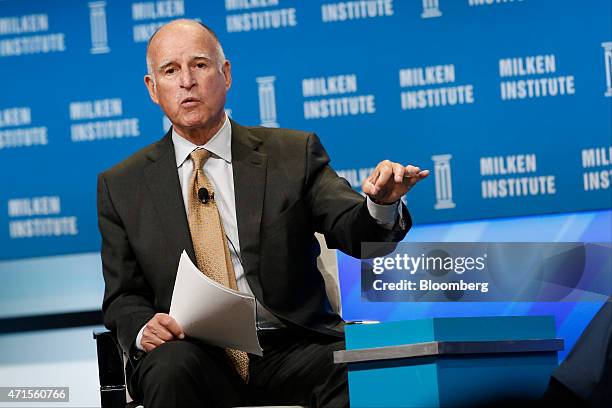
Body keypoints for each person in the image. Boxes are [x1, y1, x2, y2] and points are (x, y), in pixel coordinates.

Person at [97, 18, 429, 408]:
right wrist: (142, 329)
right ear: (153, 89)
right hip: (192, 350)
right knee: (168, 368)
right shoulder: (122, 185)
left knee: (354, 368)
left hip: (292, 346)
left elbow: (355, 234)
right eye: (170, 70)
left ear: (226, 74)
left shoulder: (292, 154)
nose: (186, 80)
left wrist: (382, 205)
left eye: (200, 65)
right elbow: (123, 296)